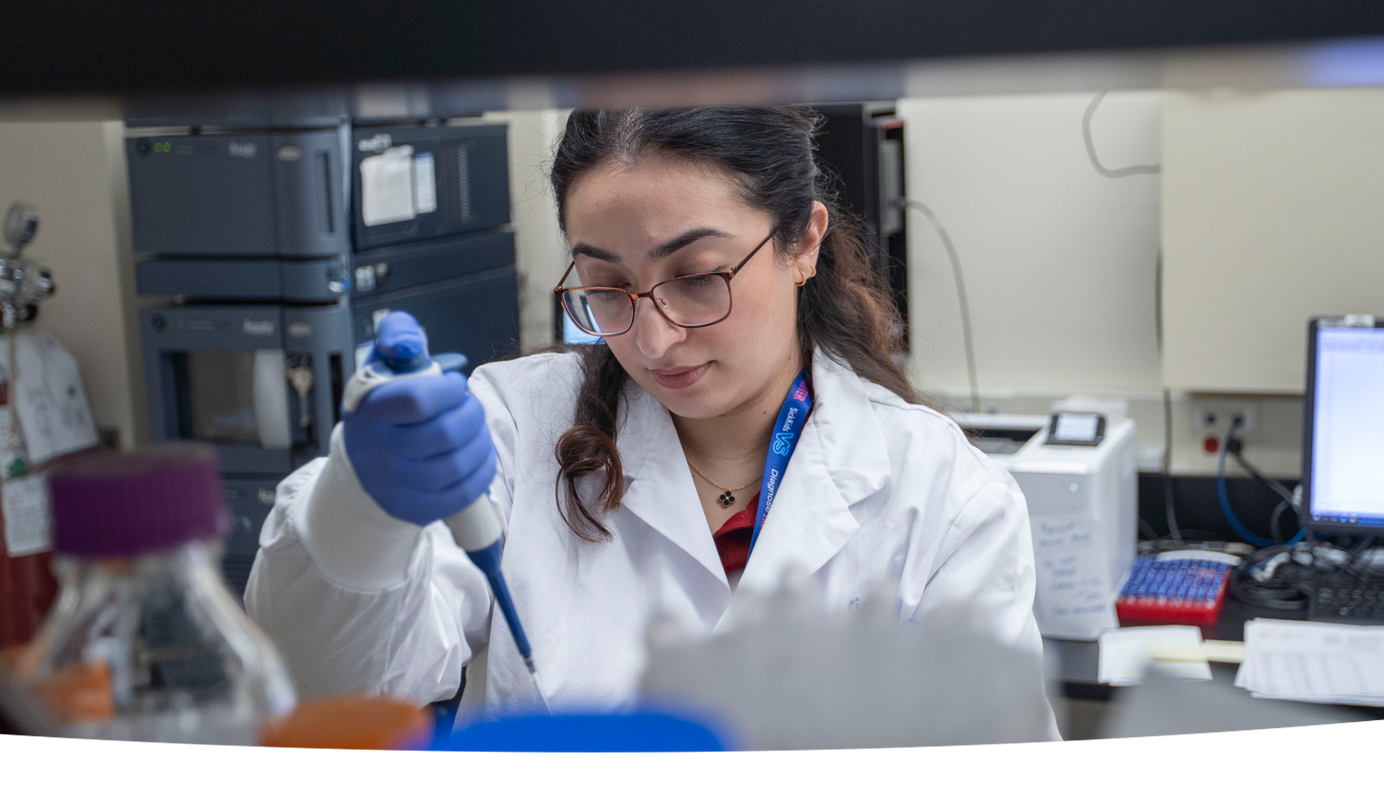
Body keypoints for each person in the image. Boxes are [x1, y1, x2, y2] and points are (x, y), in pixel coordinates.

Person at [246, 107, 1054, 736]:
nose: (656, 337)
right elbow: (334, 688)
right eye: (607, 287)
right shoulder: (515, 428)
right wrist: (361, 510)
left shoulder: (943, 498)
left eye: (699, 277)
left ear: (804, 241)